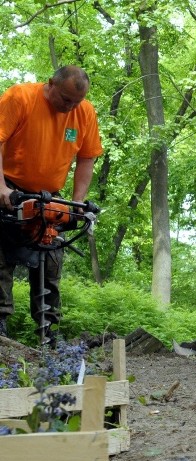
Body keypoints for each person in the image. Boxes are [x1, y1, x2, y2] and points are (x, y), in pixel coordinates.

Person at [0, 65, 103, 341]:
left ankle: (48, 329)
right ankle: (1, 327)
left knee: (51, 255)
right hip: (9, 188)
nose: (70, 107)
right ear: (51, 85)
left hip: (48, 196)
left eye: (76, 102)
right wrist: (1, 188)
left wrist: (76, 205)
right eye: (65, 99)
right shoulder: (20, 98)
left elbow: (87, 158)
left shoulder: (84, 112)